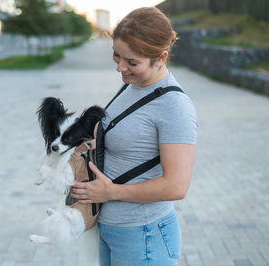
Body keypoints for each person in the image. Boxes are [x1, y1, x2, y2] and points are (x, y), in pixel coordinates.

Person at [71, 7, 198, 266]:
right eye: (116, 56)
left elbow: (177, 186)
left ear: (160, 57)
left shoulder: (175, 106)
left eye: (132, 62)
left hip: (144, 236)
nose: (120, 67)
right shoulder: (132, 85)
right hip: (111, 229)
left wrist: (112, 192)